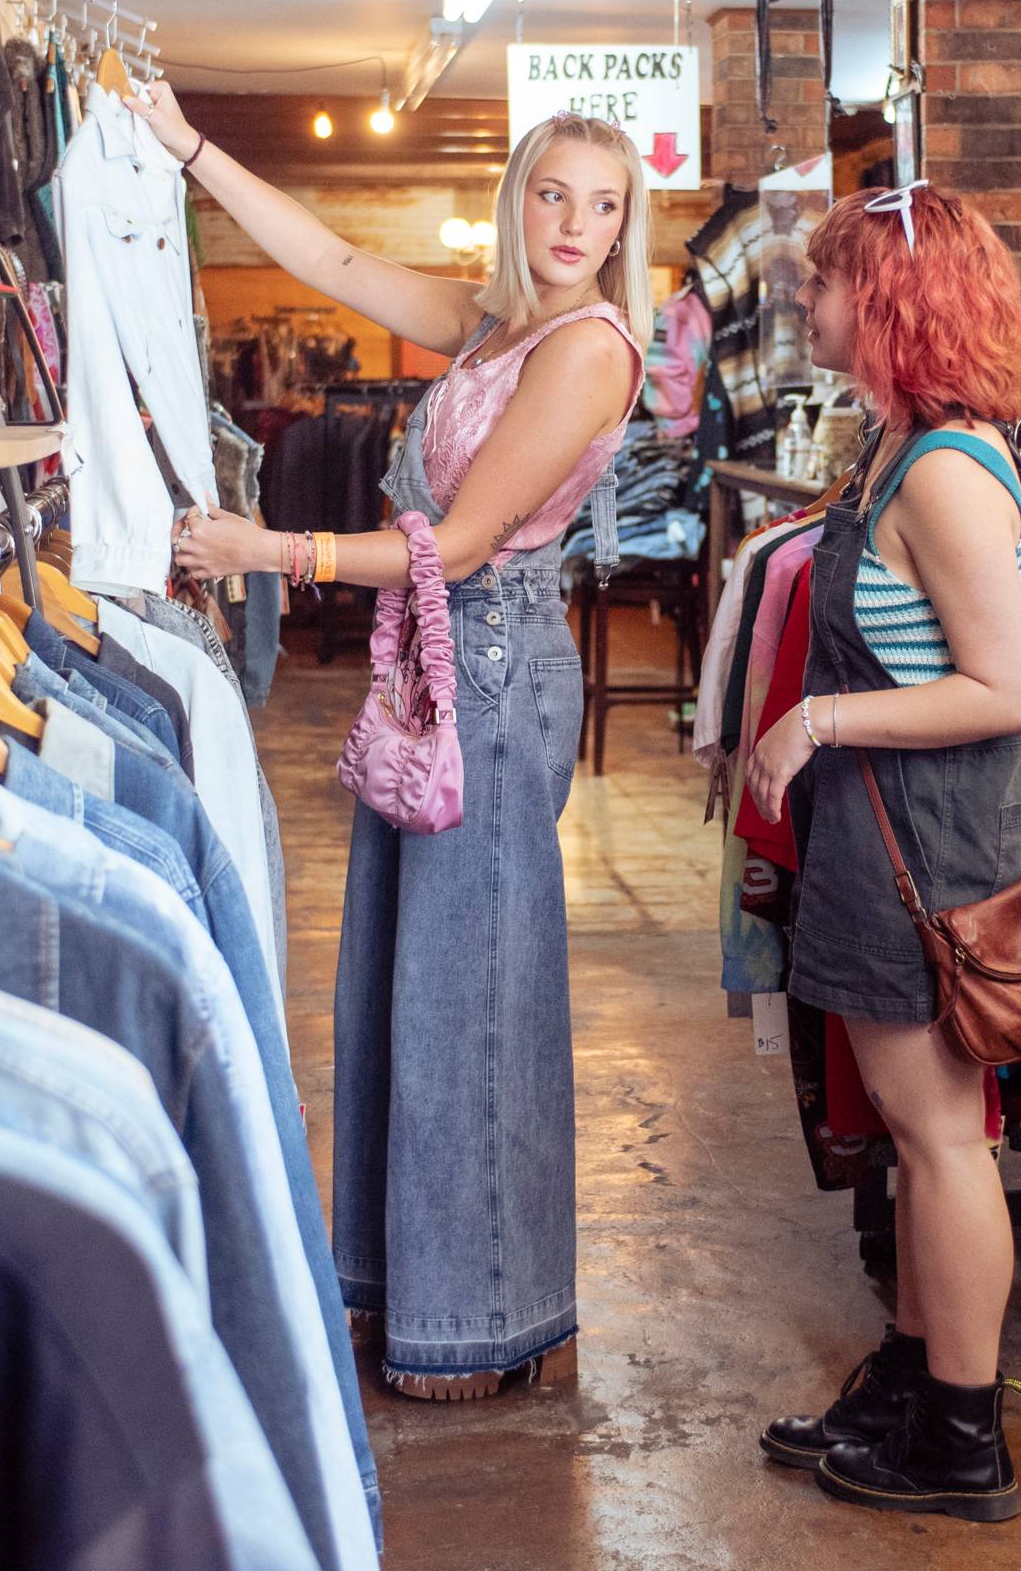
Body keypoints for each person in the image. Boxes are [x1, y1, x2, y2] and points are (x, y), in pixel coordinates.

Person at [148, 85, 649, 1401]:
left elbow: (465, 540)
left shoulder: (588, 346)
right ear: (517, 197)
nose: (574, 225)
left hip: (486, 659)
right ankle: (411, 1293)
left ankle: (482, 1317)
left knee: (470, 994)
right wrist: (193, 149)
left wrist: (273, 552)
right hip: (439, 659)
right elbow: (338, 262)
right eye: (554, 195)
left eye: (603, 206)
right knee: (404, 980)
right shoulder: (498, 324)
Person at [742, 183, 1021, 1524]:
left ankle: (963, 1436)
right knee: (913, 1144)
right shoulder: (896, 446)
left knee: (939, 1141)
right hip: (889, 842)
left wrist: (817, 717)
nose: (803, 300)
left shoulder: (941, 474)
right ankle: (917, 1380)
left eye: (822, 280)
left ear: (887, 301)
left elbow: (1006, 687)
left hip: (926, 846)